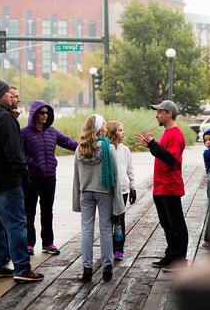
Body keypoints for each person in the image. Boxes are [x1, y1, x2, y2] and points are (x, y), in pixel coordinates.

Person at [0, 78, 43, 284]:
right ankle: (22, 267)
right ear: (0, 95)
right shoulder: (5, 118)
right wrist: (23, 176)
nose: (12, 96)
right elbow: (14, 153)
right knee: (17, 224)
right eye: (8, 92)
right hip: (7, 181)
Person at [135, 99, 188, 271]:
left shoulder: (175, 134)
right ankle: (171, 255)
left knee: (176, 224)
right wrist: (152, 147)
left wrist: (152, 144)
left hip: (170, 186)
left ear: (169, 113)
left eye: (159, 112)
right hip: (161, 186)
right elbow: (163, 154)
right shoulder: (167, 133)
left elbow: (171, 159)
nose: (156, 115)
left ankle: (180, 260)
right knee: (166, 223)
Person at [21, 101, 78, 256]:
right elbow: (19, 154)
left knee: (47, 211)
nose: (45, 115)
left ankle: (48, 243)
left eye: (47, 112)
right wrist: (32, 163)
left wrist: (85, 147)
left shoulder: (52, 132)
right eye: (42, 112)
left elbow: (68, 142)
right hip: (31, 178)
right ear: (34, 114)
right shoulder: (24, 133)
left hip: (49, 177)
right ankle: (28, 244)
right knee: (29, 212)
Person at [73, 114, 125, 283]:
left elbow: (77, 177)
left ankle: (87, 269)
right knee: (105, 228)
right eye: (103, 124)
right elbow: (116, 177)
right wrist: (119, 203)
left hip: (85, 192)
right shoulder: (108, 148)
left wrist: (76, 198)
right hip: (104, 191)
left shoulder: (80, 148)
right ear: (101, 128)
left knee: (86, 230)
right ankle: (107, 266)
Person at [105, 120, 137, 260]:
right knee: (107, 220)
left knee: (120, 220)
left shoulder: (125, 150)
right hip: (108, 190)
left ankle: (118, 249)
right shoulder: (105, 148)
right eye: (120, 130)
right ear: (112, 132)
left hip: (123, 190)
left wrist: (133, 188)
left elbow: (130, 170)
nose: (123, 132)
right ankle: (107, 248)